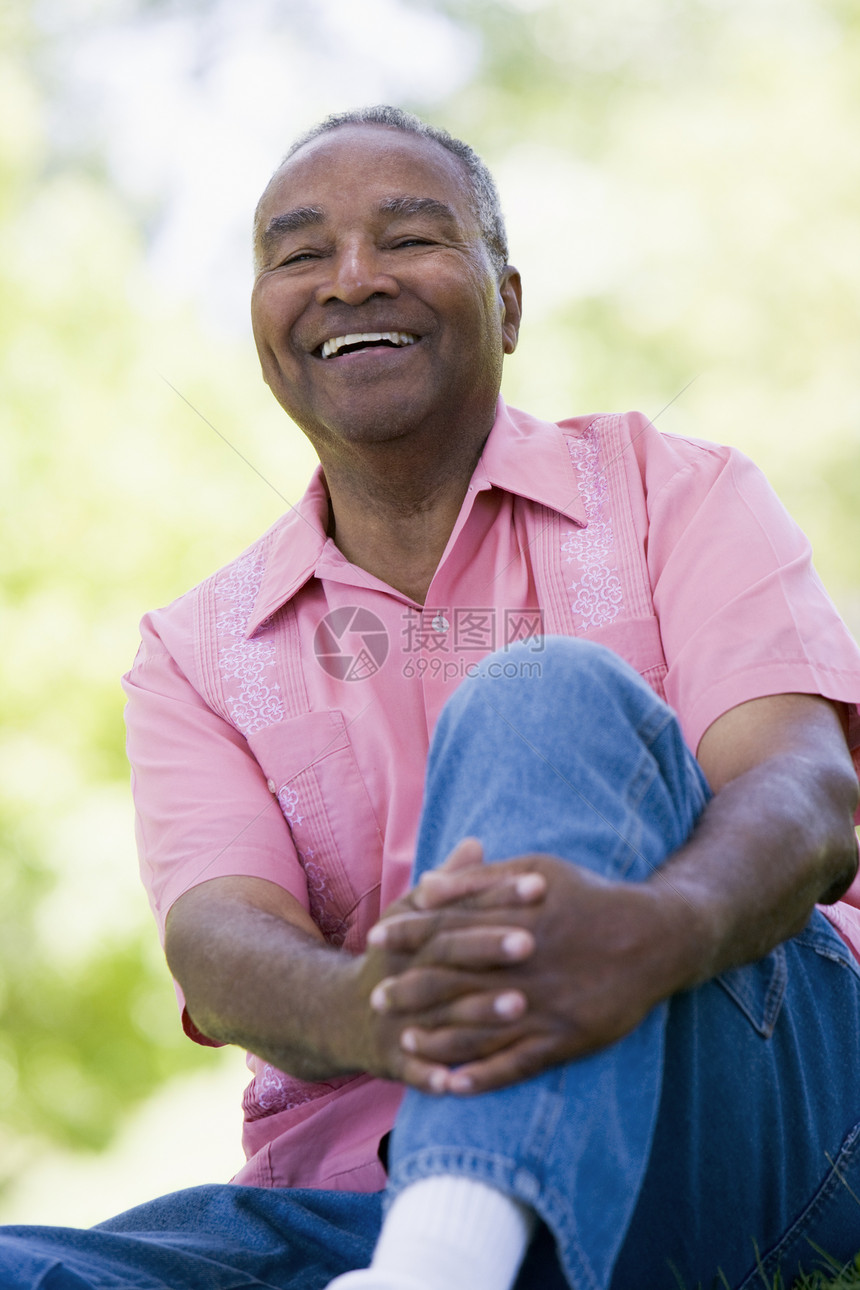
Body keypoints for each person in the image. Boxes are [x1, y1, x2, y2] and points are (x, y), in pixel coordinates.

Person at [3, 105, 860, 1289]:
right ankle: (451, 1246)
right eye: (299, 254)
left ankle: (443, 1263)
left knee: (544, 695)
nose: (351, 280)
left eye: (407, 238)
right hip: (356, 1194)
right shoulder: (195, 650)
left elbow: (805, 790)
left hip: (724, 1105)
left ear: (506, 302)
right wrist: (386, 1010)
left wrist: (652, 931)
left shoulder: (676, 492)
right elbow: (217, 942)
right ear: (261, 332)